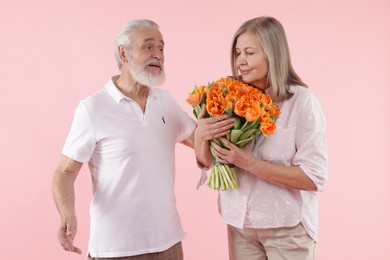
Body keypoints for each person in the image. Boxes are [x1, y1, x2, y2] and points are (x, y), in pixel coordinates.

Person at [52, 19, 234, 259]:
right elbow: (65, 171)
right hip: (115, 249)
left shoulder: (165, 102)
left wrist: (229, 121)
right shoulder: (93, 108)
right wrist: (67, 214)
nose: (157, 54)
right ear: (123, 53)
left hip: (169, 244)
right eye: (148, 47)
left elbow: (202, 146)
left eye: (161, 48)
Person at [197, 16, 328, 259]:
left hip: (286, 227)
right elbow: (208, 162)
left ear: (273, 54)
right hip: (240, 225)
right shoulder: (229, 97)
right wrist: (200, 138)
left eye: (249, 52)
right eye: (238, 53)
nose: (241, 62)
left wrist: (251, 164)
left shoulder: (301, 102)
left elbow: (314, 177)